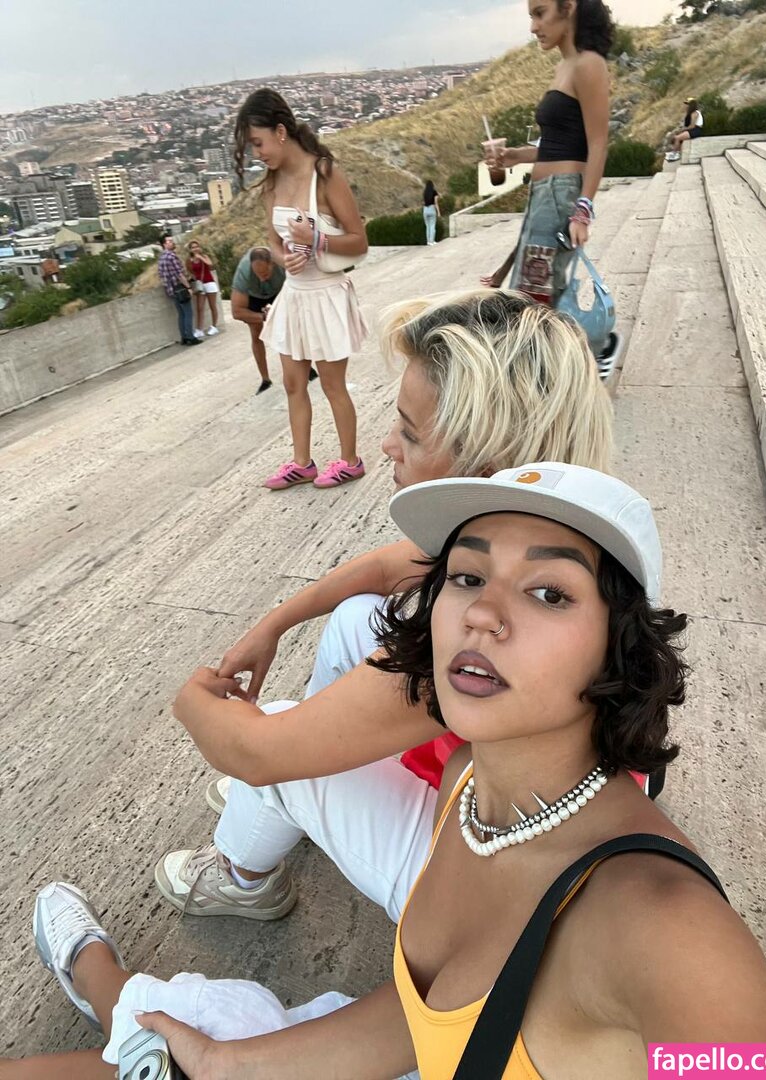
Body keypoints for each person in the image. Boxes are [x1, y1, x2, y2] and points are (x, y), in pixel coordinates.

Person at [8, 463, 766, 1078]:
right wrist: (225, 1066)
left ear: (620, 649)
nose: (481, 613)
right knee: (184, 1049)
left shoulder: (675, 937)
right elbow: (425, 1013)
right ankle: (116, 993)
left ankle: (100, 979)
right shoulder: (470, 790)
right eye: (467, 576)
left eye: (550, 592)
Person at [152, 290, 614, 928]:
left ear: (484, 469)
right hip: (514, 805)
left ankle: (242, 879)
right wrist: (272, 627)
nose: (388, 444)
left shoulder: (481, 628)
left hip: (492, 904)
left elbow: (255, 750)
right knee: (356, 617)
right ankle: (306, 772)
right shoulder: (550, 541)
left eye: (410, 433)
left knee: (277, 738)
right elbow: (382, 568)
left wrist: (193, 705)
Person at [234, 89, 369, 491]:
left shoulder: (324, 173)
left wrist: (317, 241)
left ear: (280, 132)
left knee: (331, 385)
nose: (257, 153)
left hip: (326, 293)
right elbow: (273, 242)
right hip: (294, 295)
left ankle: (350, 461)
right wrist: (283, 258)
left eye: (258, 143)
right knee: (294, 384)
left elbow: (359, 242)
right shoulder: (271, 184)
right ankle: (302, 463)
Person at [480, 0, 611, 313]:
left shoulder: (588, 64)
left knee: (534, 308)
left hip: (560, 195)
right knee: (534, 301)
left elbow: (597, 142)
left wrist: (583, 211)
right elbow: (561, 145)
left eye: (540, 13)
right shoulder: (564, 67)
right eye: (531, 16)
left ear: (568, 8)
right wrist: (516, 155)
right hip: (545, 194)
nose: (533, 27)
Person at [230, 246, 286, 394]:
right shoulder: (244, 272)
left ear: (272, 264)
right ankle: (265, 379)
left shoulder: (282, 262)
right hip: (253, 295)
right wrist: (264, 316)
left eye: (265, 273)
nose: (262, 279)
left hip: (279, 291)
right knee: (256, 334)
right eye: (258, 275)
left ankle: (304, 368)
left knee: (288, 329)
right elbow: (236, 312)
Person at [157, 234, 199, 347]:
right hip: (180, 288)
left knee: (181, 314)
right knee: (188, 313)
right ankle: (190, 337)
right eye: (169, 241)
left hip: (171, 290)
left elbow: (161, 276)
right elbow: (179, 274)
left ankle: (184, 337)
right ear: (164, 244)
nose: (172, 242)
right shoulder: (172, 256)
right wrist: (188, 287)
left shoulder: (161, 258)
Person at [185, 240, 220, 338]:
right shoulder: (189, 260)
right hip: (200, 285)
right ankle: (199, 329)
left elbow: (210, 264)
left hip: (209, 283)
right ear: (190, 249)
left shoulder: (204, 256)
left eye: (197, 246)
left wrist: (200, 257)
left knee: (212, 306)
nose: (195, 249)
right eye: (193, 247)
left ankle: (214, 326)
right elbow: (190, 271)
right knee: (200, 308)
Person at [422, 180, 441, 246]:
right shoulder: (434, 192)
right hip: (432, 208)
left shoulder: (424, 192)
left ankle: (428, 241)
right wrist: (438, 212)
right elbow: (436, 203)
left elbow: (423, 202)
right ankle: (432, 241)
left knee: (427, 226)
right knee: (432, 226)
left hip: (425, 209)